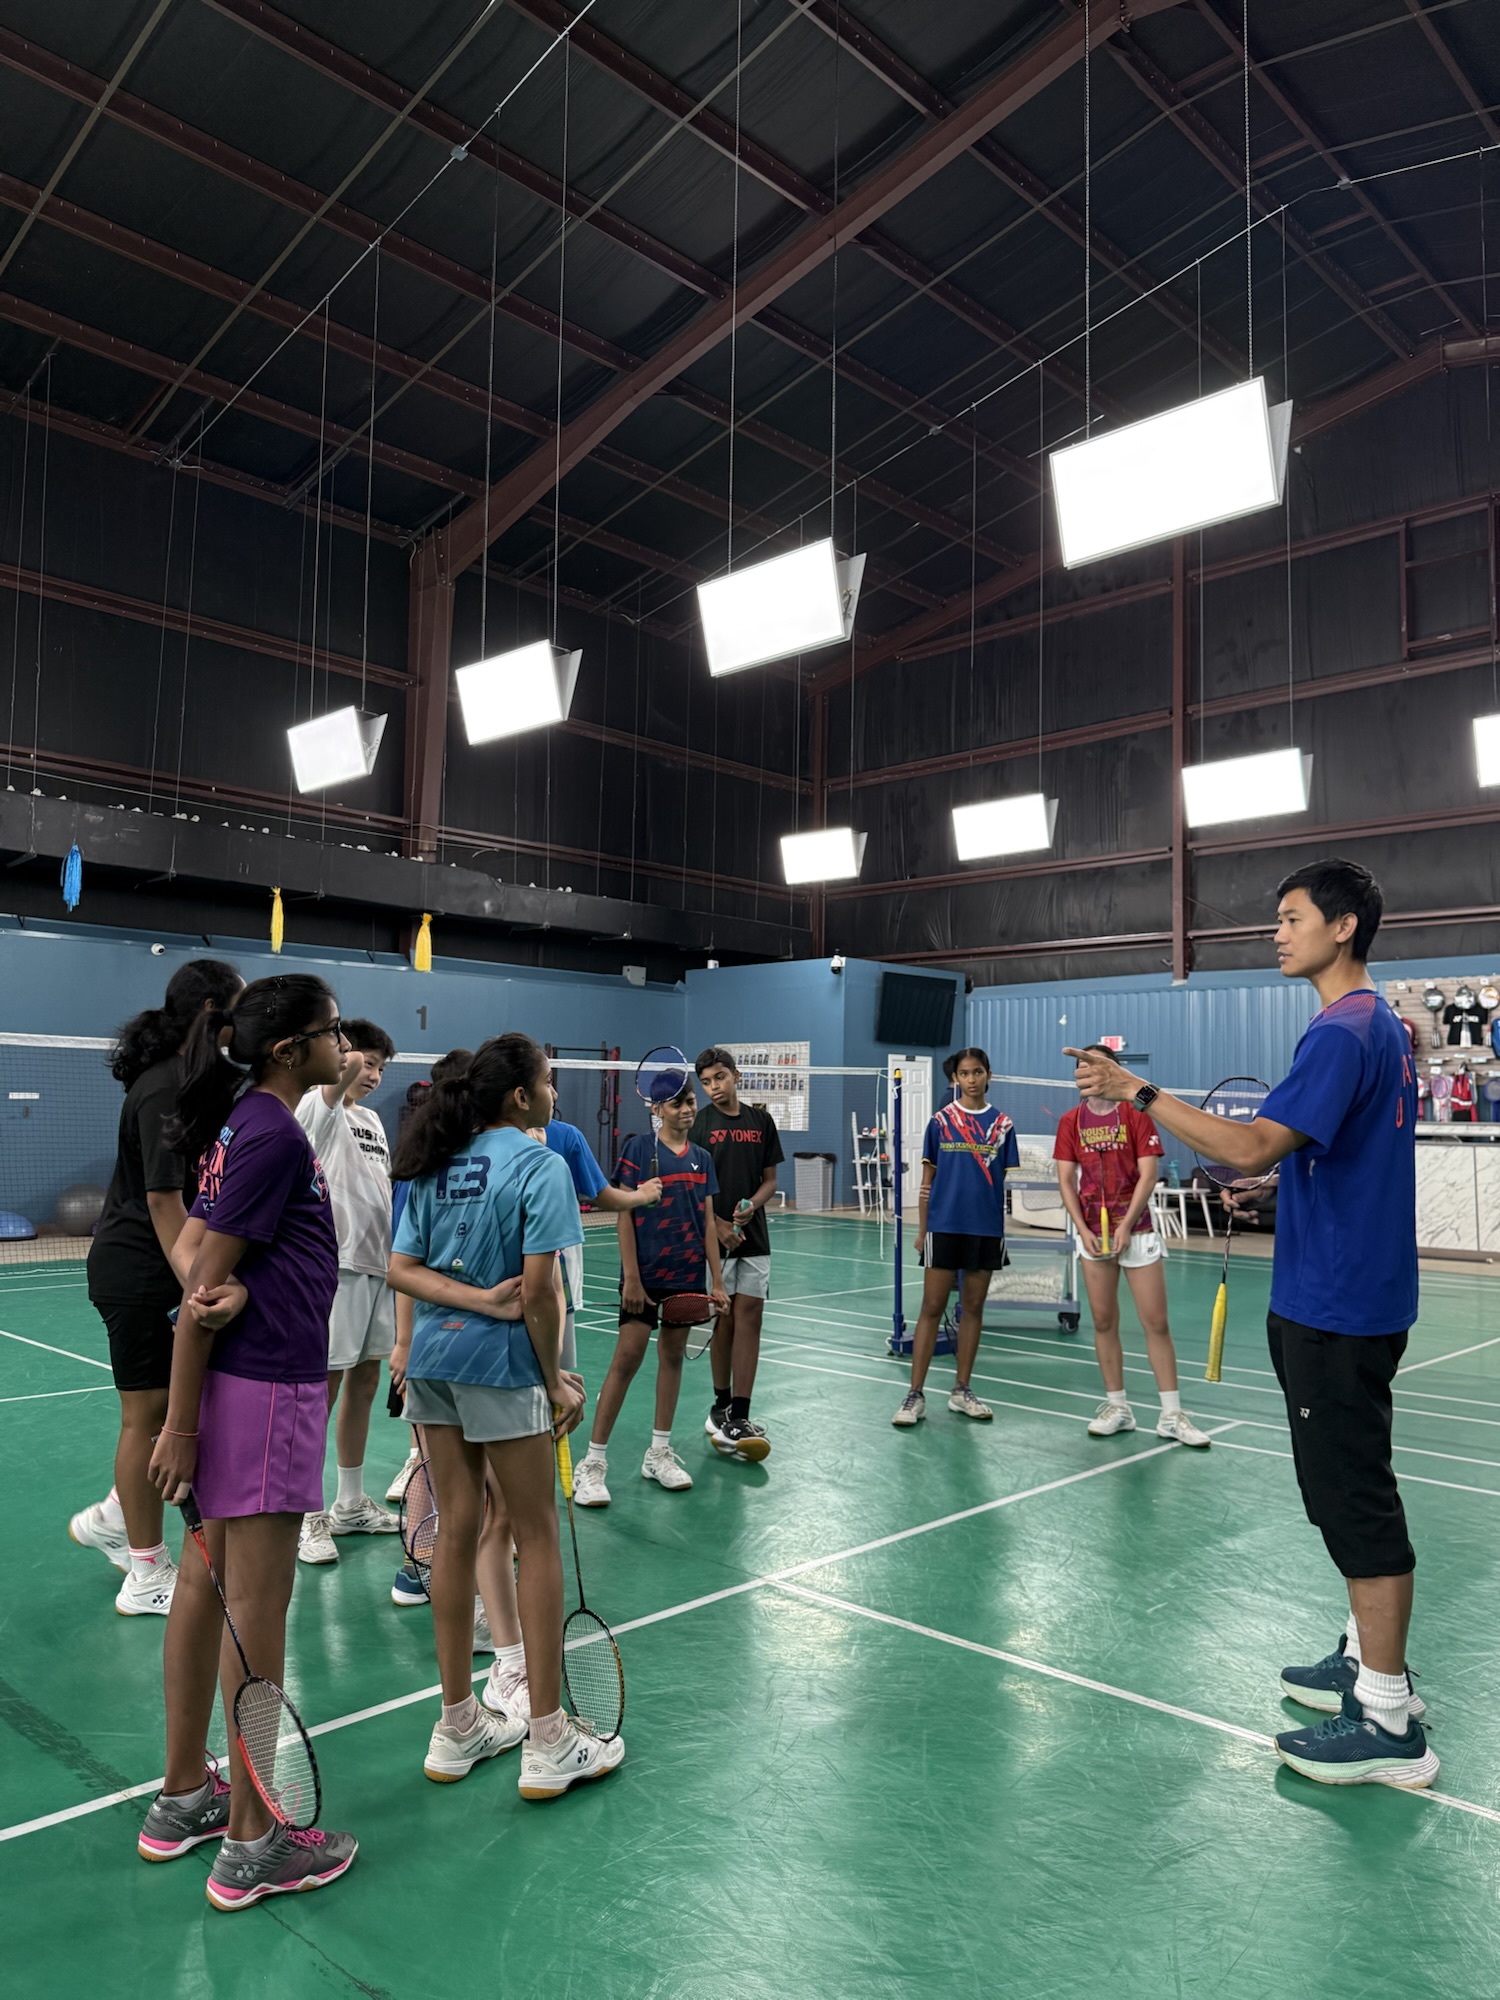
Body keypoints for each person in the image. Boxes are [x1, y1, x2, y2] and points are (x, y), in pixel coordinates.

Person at [1068, 858, 1434, 1791]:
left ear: (1342, 927)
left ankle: (1389, 1719)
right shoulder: (1376, 1025)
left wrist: (1137, 1089)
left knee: (1353, 1500)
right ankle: (1363, 1660)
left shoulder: (1344, 1031)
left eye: (1291, 917)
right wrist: (1281, 1184)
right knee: (1348, 1489)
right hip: (1358, 1291)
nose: (1276, 932)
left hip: (1335, 1303)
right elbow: (1319, 1152)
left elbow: (1248, 1142)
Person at [138, 974, 357, 1907]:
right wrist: (179, 1426)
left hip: (248, 1381)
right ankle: (253, 1840)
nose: (343, 1043)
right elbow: (198, 1295)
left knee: (207, 1590)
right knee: (258, 1612)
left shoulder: (244, 1125)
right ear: (287, 1050)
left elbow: (196, 1259)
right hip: (268, 1393)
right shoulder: (272, 1134)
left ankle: (184, 1795)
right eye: (332, 1030)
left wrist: (246, 1290)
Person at [388, 1033, 624, 1796]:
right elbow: (541, 1291)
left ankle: (458, 1725)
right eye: (548, 1082)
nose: (555, 1094)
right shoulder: (539, 1164)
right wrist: (554, 1379)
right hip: (501, 1368)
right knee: (535, 1534)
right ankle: (550, 1740)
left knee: (456, 1532)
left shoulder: (437, 1161)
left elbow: (401, 1269)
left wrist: (468, 1306)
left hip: (433, 1364)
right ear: (521, 1096)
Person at [70, 958, 243, 1616]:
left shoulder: (192, 1079)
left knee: (180, 1406)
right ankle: (145, 1573)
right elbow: (165, 1200)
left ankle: (117, 1514)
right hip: (139, 1271)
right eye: (238, 1009)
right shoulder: (165, 1085)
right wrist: (198, 1285)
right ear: (212, 1013)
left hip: (159, 1265)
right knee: (146, 1419)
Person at [575, 1079, 727, 1505]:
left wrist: (716, 1281)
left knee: (672, 1357)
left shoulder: (702, 1158)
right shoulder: (638, 1151)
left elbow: (709, 1223)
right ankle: (593, 1462)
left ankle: (658, 1453)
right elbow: (624, 1215)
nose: (687, 1109)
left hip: (686, 1275)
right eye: (678, 1104)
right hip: (644, 1275)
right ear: (657, 1109)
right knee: (627, 1359)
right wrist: (632, 1278)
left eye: (691, 1101)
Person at [1053, 1047, 1211, 1449]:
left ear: (1112, 1070)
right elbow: (1066, 1180)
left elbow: (1148, 1174)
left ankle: (1172, 1415)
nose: (1087, 1073)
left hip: (1136, 1231)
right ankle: (1118, 1407)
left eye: (1096, 1065)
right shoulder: (1071, 1122)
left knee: (1155, 1323)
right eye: (1081, 1068)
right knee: (1103, 1322)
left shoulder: (1136, 1114)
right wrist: (1082, 1229)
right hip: (1093, 1234)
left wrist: (1126, 1226)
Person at [294, 1018, 401, 1565]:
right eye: (367, 1062)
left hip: (377, 1267)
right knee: (324, 1391)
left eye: (382, 1068)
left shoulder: (374, 1120)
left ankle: (351, 1502)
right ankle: (306, 1514)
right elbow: (339, 1079)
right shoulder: (317, 1105)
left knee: (364, 1382)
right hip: (335, 1268)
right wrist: (345, 1049)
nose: (373, 1074)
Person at [893, 1048, 1018, 1428]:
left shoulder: (1003, 1125)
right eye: (964, 1073)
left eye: (978, 1072)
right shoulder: (941, 1122)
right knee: (931, 1307)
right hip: (944, 1227)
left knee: (973, 1309)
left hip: (985, 1229)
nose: (972, 1079)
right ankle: (915, 1394)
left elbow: (999, 1181)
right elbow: (927, 1183)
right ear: (955, 1079)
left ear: (988, 1074)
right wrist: (922, 1229)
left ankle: (962, 1390)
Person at [691, 1047, 783, 1462]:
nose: (714, 1087)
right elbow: (693, 1187)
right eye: (706, 1082)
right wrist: (719, 1225)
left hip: (755, 1237)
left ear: (736, 1076)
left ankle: (740, 1414)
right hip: (715, 1240)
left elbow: (769, 1180)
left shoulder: (761, 1121)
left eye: (720, 1077)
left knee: (751, 1319)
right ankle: (721, 1405)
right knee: (723, 1321)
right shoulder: (699, 1124)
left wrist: (752, 1206)